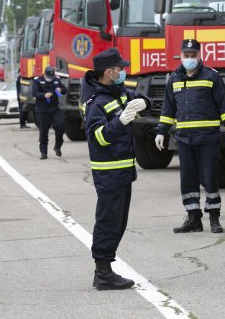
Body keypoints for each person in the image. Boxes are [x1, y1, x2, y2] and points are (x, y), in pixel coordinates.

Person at [82, 47, 151, 290]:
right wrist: (120, 123)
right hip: (108, 172)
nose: (123, 72)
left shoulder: (118, 93)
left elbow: (136, 102)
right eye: (120, 69)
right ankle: (103, 272)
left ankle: (105, 269)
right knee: (108, 221)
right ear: (108, 72)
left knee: (118, 221)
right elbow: (98, 138)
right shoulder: (96, 103)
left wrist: (145, 102)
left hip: (123, 171)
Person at [155, 39, 225, 234]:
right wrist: (161, 130)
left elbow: (224, 107)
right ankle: (194, 218)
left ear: (199, 55)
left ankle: (214, 217)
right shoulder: (174, 78)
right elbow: (168, 108)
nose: (189, 59)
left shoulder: (212, 77)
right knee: (188, 180)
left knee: (209, 178)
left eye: (193, 55)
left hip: (207, 139)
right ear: (181, 55)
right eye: (186, 55)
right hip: (184, 139)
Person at [32, 66, 66, 159]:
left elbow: (64, 90)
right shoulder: (37, 80)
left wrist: (61, 90)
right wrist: (44, 95)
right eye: (48, 76)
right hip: (42, 110)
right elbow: (34, 93)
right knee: (43, 131)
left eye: (52, 76)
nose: (50, 78)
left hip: (54, 108)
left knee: (61, 125)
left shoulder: (56, 80)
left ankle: (57, 146)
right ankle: (43, 152)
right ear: (45, 73)